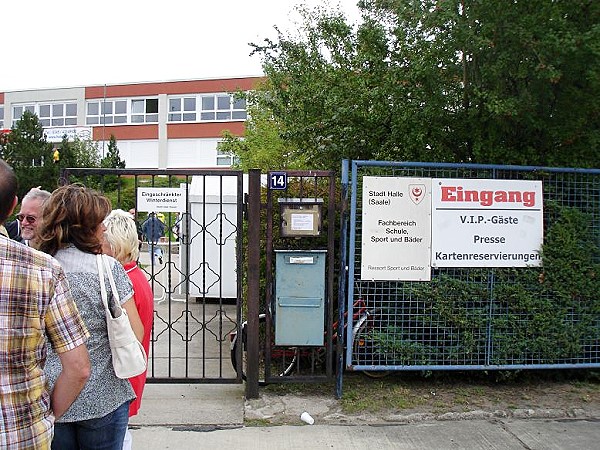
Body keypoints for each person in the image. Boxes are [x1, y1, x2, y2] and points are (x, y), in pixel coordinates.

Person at [37, 184, 145, 450]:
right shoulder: (107, 268)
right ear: (84, 227)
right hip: (104, 395)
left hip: (49, 394)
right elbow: (135, 332)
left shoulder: (37, 266)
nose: (104, 228)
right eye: (99, 222)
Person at [0, 159, 91, 449]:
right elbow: (78, 368)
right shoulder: (43, 270)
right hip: (21, 433)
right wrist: (47, 417)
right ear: (13, 206)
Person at [102, 209, 154, 450]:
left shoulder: (123, 281)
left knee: (118, 438)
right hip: (130, 371)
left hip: (122, 375)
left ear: (114, 244)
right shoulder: (135, 275)